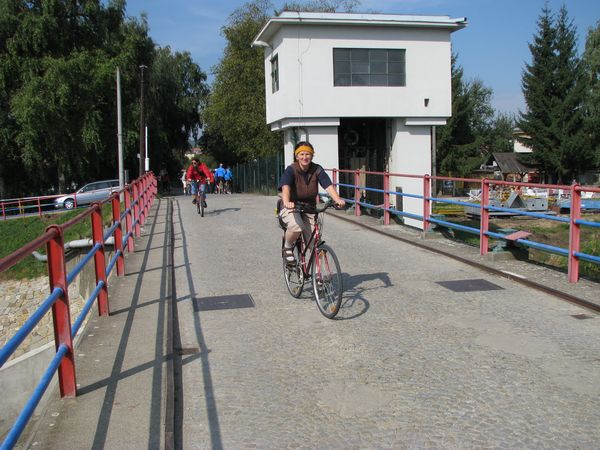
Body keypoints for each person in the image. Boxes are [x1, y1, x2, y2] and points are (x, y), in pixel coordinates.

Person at [278, 141, 345, 265]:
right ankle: (287, 247)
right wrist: (287, 202)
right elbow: (285, 187)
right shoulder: (291, 169)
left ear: (312, 156)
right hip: (292, 206)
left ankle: (318, 277)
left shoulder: (317, 169)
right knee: (296, 226)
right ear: (297, 156)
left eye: (308, 154)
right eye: (302, 154)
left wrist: (337, 199)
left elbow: (327, 185)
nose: (305, 157)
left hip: (309, 207)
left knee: (315, 246)